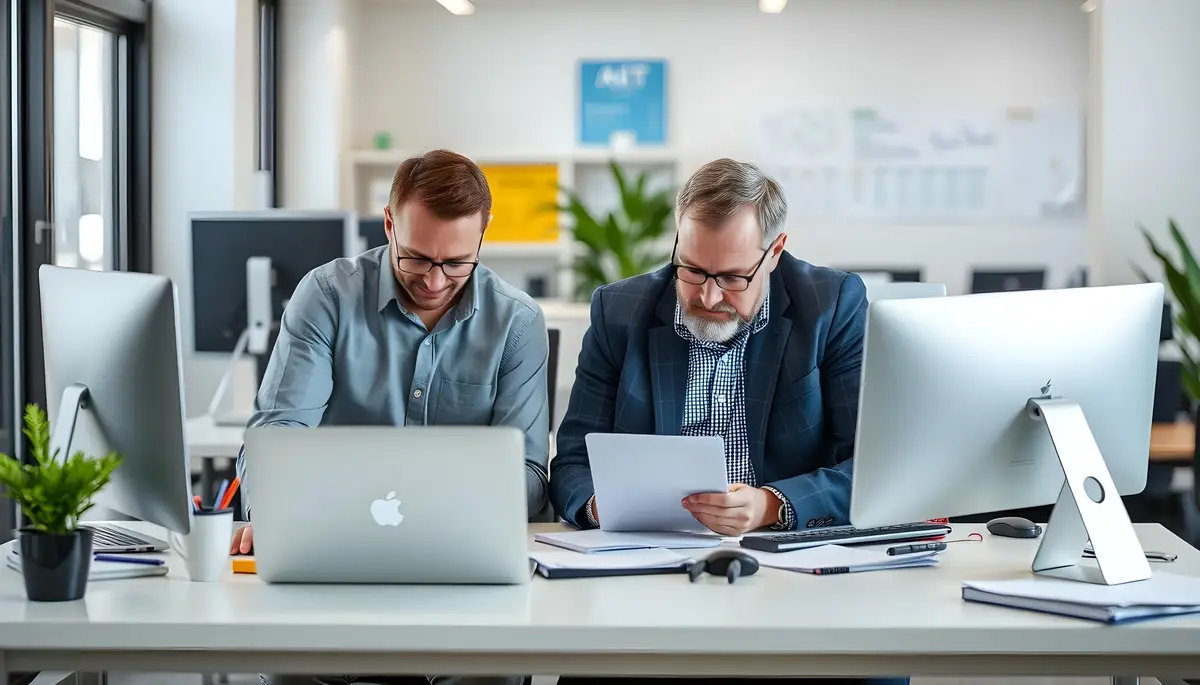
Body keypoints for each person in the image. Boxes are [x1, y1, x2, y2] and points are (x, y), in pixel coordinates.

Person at [548, 158, 904, 685]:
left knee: (870, 667)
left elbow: (874, 466)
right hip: (651, 573)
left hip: (788, 568)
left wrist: (770, 504)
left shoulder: (831, 306)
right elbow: (573, 459)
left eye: (733, 277)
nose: (709, 297)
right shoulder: (618, 311)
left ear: (775, 252)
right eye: (691, 270)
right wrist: (601, 503)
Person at [233, 149, 544, 685]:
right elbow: (276, 436)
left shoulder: (517, 322)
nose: (435, 280)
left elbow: (530, 477)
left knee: (490, 674)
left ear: (483, 235)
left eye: (456, 262)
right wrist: (270, 511)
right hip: (328, 567)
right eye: (417, 257)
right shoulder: (326, 296)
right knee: (290, 668)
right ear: (388, 224)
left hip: (461, 578)